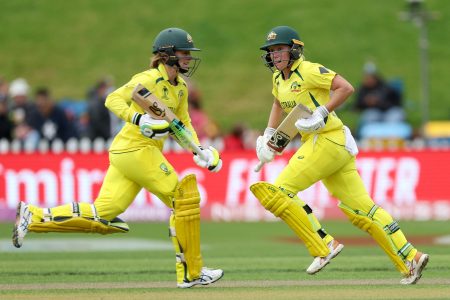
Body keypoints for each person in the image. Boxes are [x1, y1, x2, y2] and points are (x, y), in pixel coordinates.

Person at [12, 27, 224, 288]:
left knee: (104, 213)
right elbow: (112, 99)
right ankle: (192, 272)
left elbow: (183, 124)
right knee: (183, 199)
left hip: (130, 152)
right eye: (184, 53)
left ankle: (32, 217)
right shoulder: (148, 79)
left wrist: (199, 151)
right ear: (167, 54)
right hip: (136, 148)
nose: (189, 58)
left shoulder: (180, 88)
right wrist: (138, 118)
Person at [250, 25, 428, 285]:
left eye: (280, 50)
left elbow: (346, 88)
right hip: (328, 144)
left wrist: (321, 112)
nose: (275, 55)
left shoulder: (309, 69)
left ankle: (324, 244)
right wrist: (270, 136)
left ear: (294, 50)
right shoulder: (278, 79)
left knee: (279, 192)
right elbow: (278, 103)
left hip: (327, 139)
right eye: (271, 51)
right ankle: (410, 257)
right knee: (361, 210)